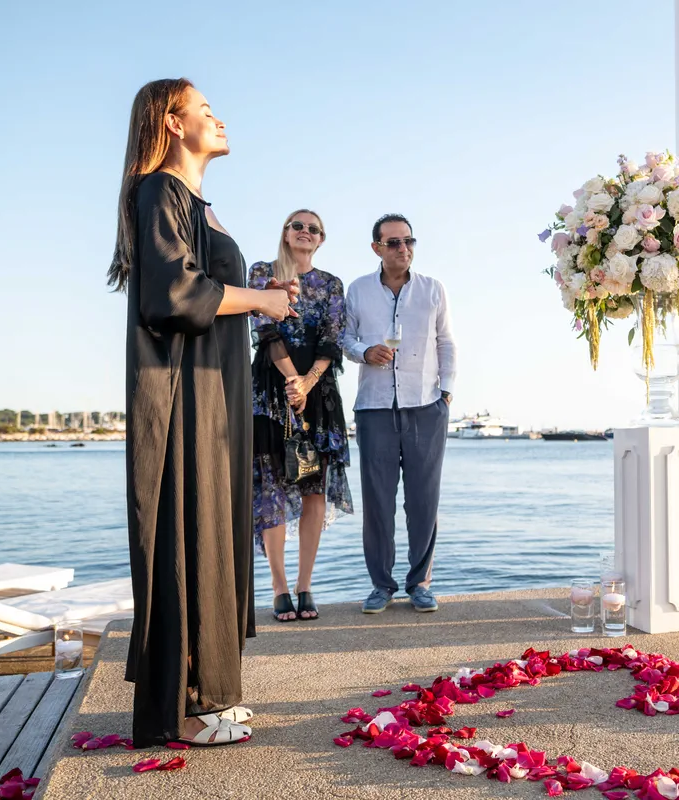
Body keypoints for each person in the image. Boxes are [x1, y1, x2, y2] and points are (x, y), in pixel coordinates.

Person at [111, 78, 297, 746]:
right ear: (171, 121)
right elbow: (174, 293)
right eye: (206, 110)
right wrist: (261, 302)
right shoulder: (158, 189)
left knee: (212, 530)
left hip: (215, 392)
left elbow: (210, 287)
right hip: (181, 391)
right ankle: (180, 710)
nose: (219, 120)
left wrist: (257, 296)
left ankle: (208, 690)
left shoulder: (197, 202)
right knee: (186, 531)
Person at [342, 214, 456, 614]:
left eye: (408, 241)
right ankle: (381, 585)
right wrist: (363, 351)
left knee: (423, 500)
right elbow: (345, 336)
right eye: (393, 242)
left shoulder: (432, 289)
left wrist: (446, 394)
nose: (402, 248)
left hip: (426, 406)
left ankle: (420, 583)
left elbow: (446, 343)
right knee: (378, 503)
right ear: (376, 247)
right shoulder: (357, 290)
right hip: (374, 408)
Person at [249, 210, 354, 622]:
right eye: (298, 226)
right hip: (271, 390)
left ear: (321, 239)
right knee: (271, 486)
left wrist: (307, 383)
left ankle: (304, 584)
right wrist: (293, 381)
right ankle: (278, 586)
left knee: (314, 487)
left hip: (319, 392)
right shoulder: (263, 272)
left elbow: (332, 340)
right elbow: (266, 329)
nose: (305, 232)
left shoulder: (330, 284)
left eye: (314, 228)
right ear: (286, 233)